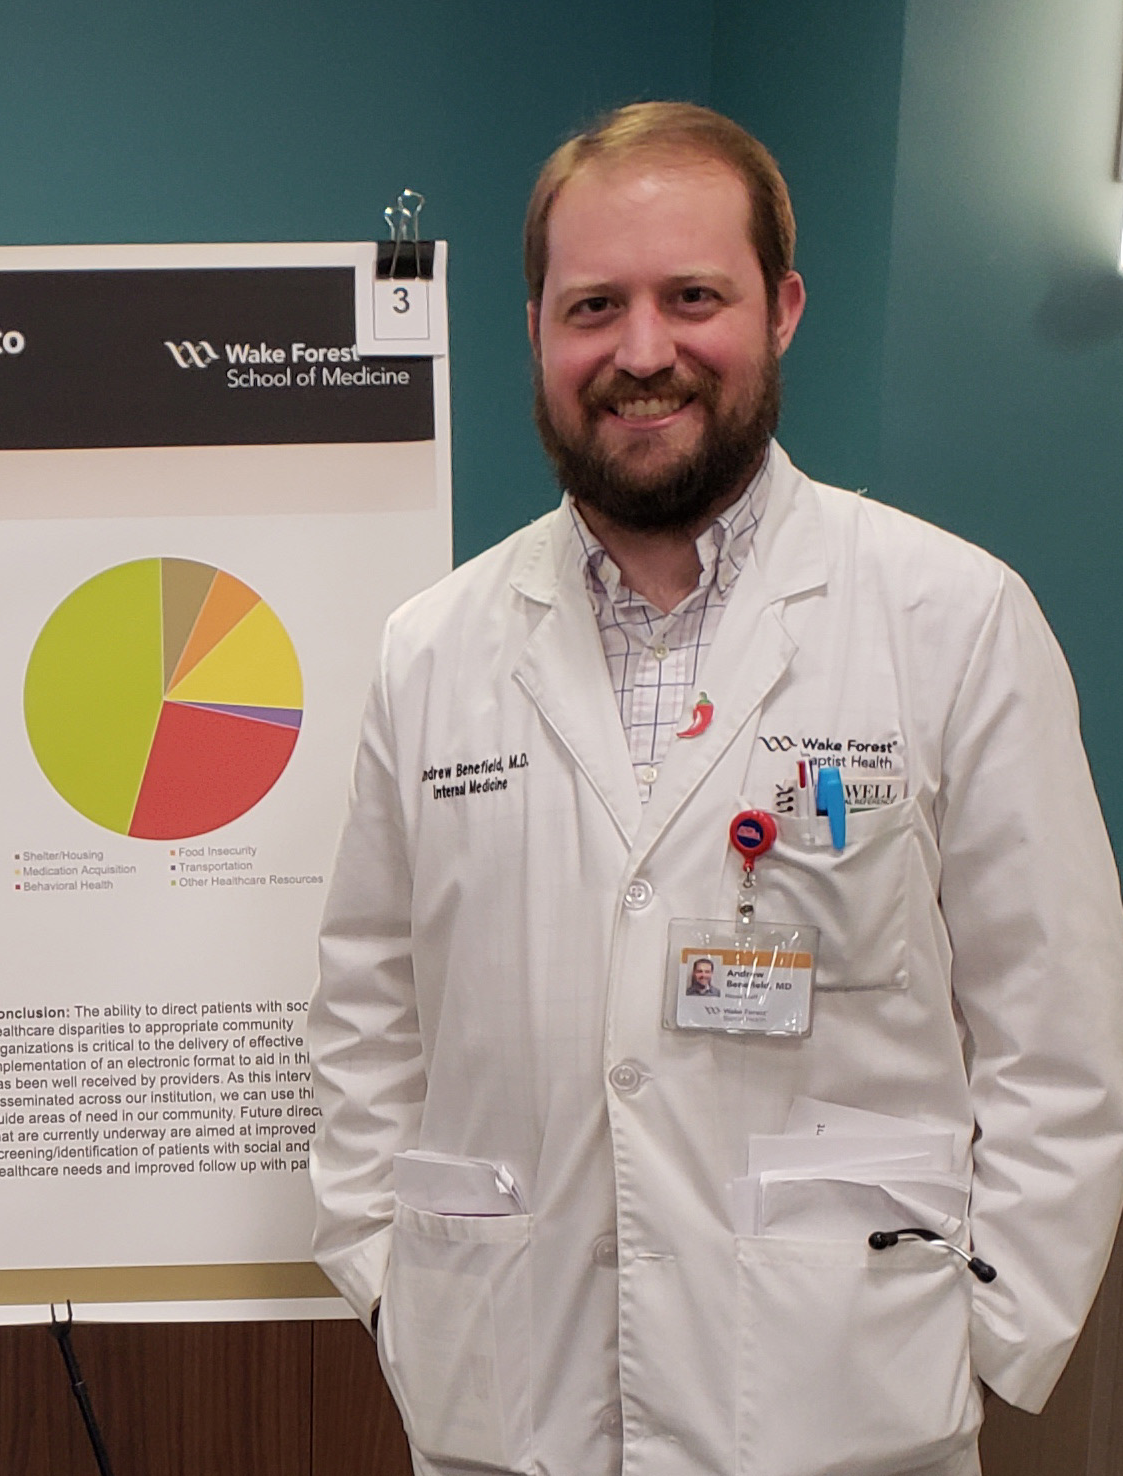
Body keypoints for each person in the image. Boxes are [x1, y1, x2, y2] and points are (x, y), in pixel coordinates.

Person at [307, 101, 1123, 1476]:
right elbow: (366, 1020)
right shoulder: (430, 650)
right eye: (593, 305)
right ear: (535, 330)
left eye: (694, 296)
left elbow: (1059, 1035)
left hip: (844, 1412)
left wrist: (985, 1328)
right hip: (509, 1404)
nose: (642, 352)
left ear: (783, 307)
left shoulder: (952, 618)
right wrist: (395, 1287)